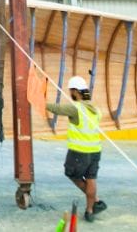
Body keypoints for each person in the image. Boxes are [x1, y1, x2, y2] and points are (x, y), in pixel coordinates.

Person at [45, 76, 107, 222]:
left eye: (71, 91)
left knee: (72, 175)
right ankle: (90, 211)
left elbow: (57, 109)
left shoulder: (76, 108)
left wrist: (40, 102)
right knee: (91, 179)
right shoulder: (96, 110)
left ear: (75, 91)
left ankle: (96, 200)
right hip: (95, 151)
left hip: (79, 151)